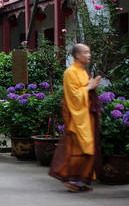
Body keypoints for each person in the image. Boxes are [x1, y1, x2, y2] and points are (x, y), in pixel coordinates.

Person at [49, 44, 102, 192]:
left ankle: (79, 181)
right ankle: (71, 180)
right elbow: (72, 96)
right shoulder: (70, 72)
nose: (89, 55)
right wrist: (89, 87)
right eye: (86, 52)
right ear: (77, 55)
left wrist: (91, 86)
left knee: (89, 149)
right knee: (78, 150)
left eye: (89, 52)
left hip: (86, 116)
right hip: (77, 118)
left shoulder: (83, 71)